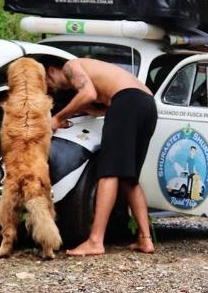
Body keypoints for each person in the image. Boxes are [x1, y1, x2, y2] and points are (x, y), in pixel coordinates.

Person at [43, 56, 158, 256]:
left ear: (52, 70)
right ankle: (145, 239)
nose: (49, 88)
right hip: (147, 105)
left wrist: (57, 118)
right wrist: (82, 109)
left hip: (126, 101)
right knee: (128, 178)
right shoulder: (92, 72)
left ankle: (95, 241)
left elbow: (88, 93)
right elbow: (99, 107)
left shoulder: (71, 66)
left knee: (108, 172)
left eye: (47, 81)